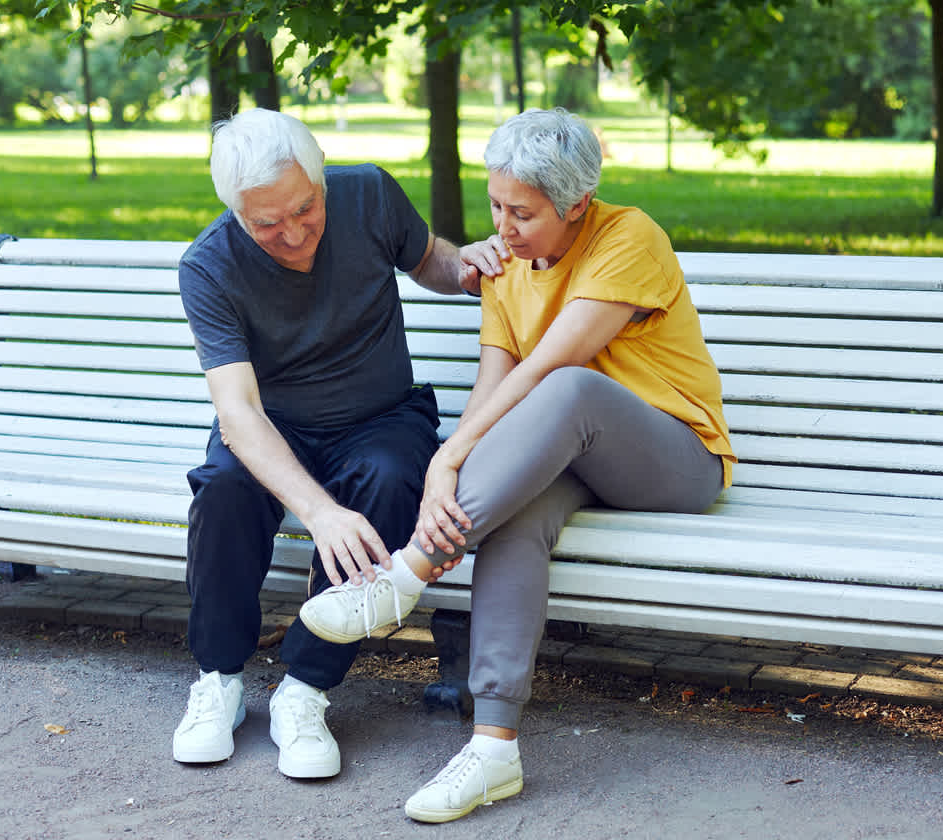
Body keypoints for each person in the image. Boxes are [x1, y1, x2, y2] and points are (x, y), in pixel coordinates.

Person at [300, 107, 736, 821]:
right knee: (513, 519)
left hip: (675, 459)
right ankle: (493, 747)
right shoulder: (504, 267)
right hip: (577, 455)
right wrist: (456, 462)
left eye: (522, 213)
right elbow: (494, 385)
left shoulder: (629, 238)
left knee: (570, 388)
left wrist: (444, 463)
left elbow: (544, 372)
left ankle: (401, 578)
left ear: (578, 206)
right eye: (495, 204)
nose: (501, 228)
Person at [171, 108, 504, 778]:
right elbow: (236, 413)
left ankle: (305, 688)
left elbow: (428, 260)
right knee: (225, 488)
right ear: (235, 211)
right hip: (275, 425)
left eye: (304, 208)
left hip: (379, 417)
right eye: (267, 223)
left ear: (321, 182)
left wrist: (463, 264)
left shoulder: (367, 193)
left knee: (388, 477)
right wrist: (320, 512)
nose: (293, 234)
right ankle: (219, 681)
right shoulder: (207, 266)